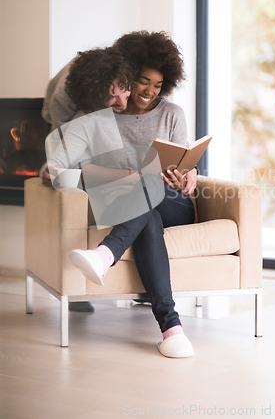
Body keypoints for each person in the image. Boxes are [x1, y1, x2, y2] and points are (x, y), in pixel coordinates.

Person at [47, 31, 197, 357]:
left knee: (150, 183)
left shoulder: (173, 114)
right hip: (137, 208)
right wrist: (55, 171)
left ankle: (104, 256)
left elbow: (185, 162)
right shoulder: (94, 120)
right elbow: (57, 163)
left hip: (175, 203)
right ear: (126, 76)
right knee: (147, 214)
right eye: (143, 81)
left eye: (158, 85)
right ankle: (172, 328)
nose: (149, 91)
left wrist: (190, 174)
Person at [41, 47, 134, 312]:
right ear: (95, 98)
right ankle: (76, 290)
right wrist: (54, 169)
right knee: (72, 179)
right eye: (111, 97)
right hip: (65, 119)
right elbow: (62, 149)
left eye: (124, 90)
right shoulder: (67, 104)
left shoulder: (130, 76)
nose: (122, 103)